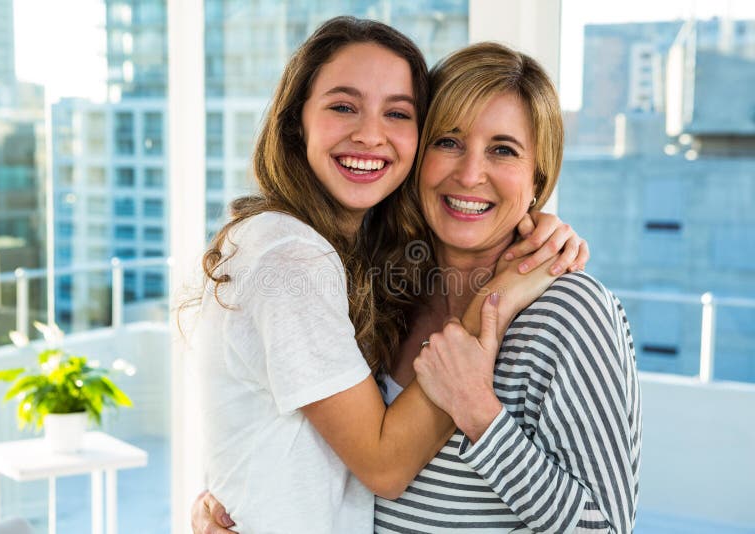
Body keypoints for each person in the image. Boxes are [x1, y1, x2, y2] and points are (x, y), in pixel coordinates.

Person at [193, 39, 640, 533]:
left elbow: (604, 527)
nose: (470, 174)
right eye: (447, 141)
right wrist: (228, 505)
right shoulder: (383, 295)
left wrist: (479, 414)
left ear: (538, 177)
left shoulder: (570, 313)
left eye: (503, 150)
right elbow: (307, 450)